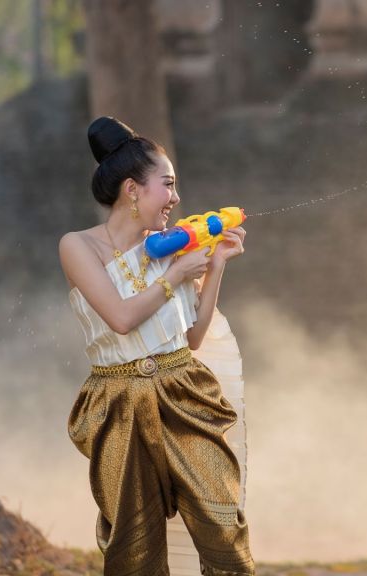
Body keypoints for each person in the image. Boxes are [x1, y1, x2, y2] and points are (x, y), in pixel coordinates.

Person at [59, 116, 255, 575]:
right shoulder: (77, 246)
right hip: (117, 401)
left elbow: (192, 338)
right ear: (132, 189)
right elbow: (121, 318)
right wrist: (174, 277)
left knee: (223, 526)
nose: (176, 198)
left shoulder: (170, 249)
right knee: (135, 544)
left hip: (183, 390)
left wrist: (216, 266)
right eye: (167, 185)